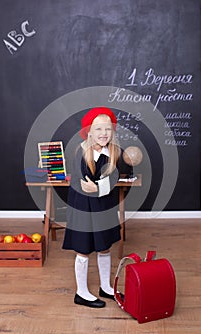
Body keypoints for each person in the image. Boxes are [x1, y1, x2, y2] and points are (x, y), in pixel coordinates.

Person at [62, 107, 122, 308]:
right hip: (84, 209)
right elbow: (81, 184)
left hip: (103, 206)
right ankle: (81, 292)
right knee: (84, 249)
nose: (104, 133)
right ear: (88, 131)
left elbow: (114, 176)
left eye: (107, 129)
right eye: (98, 129)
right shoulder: (80, 152)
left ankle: (105, 286)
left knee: (104, 247)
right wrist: (96, 188)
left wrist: (97, 187)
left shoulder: (112, 152)